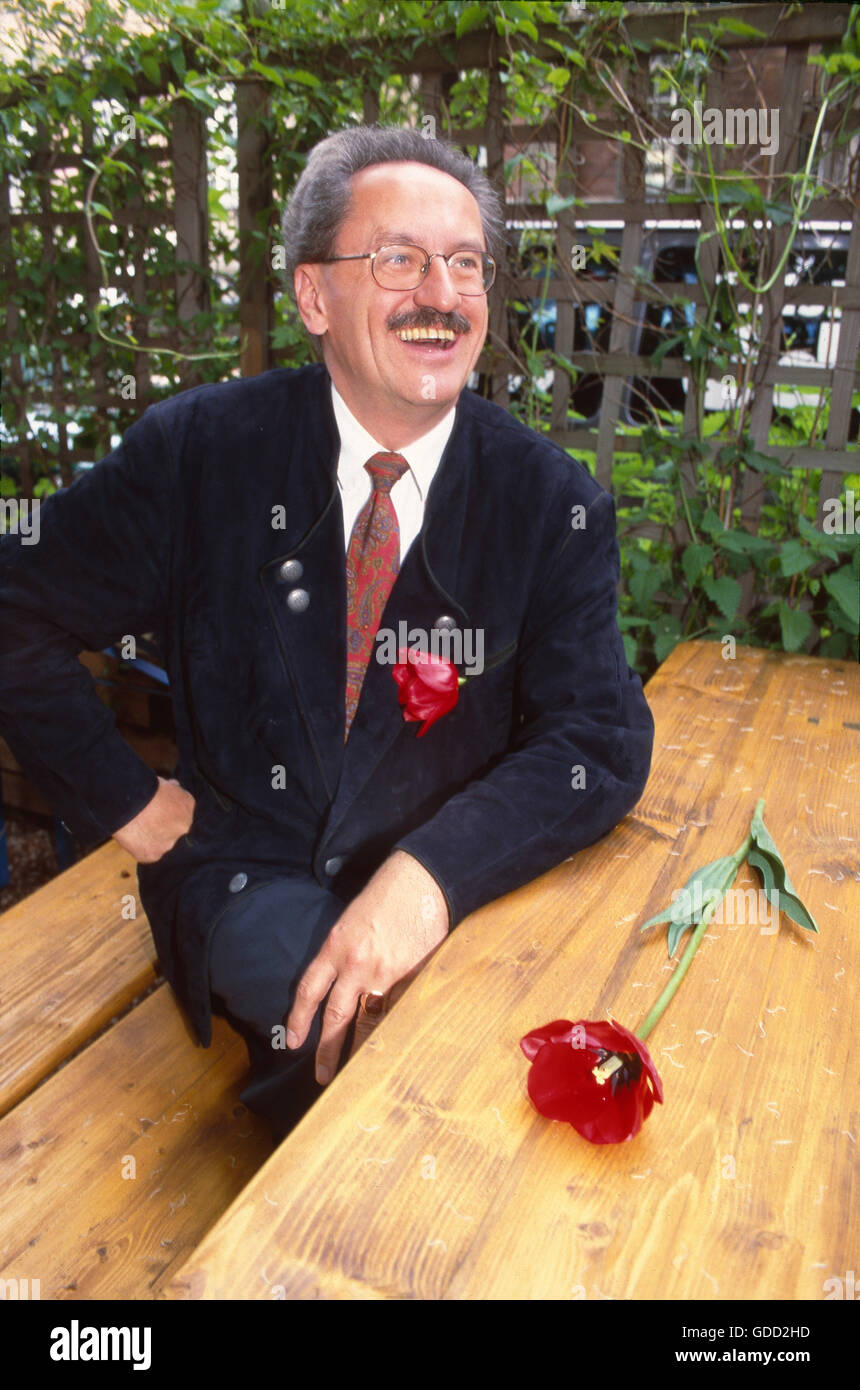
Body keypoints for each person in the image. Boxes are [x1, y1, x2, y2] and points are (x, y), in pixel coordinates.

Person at [0, 125, 654, 1142]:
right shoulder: (201, 455)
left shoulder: (548, 500)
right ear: (315, 297)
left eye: (465, 263)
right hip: (248, 877)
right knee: (401, 1077)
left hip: (457, 892)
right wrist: (125, 797)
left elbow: (597, 741)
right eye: (398, 258)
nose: (439, 293)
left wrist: (428, 873)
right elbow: (16, 608)